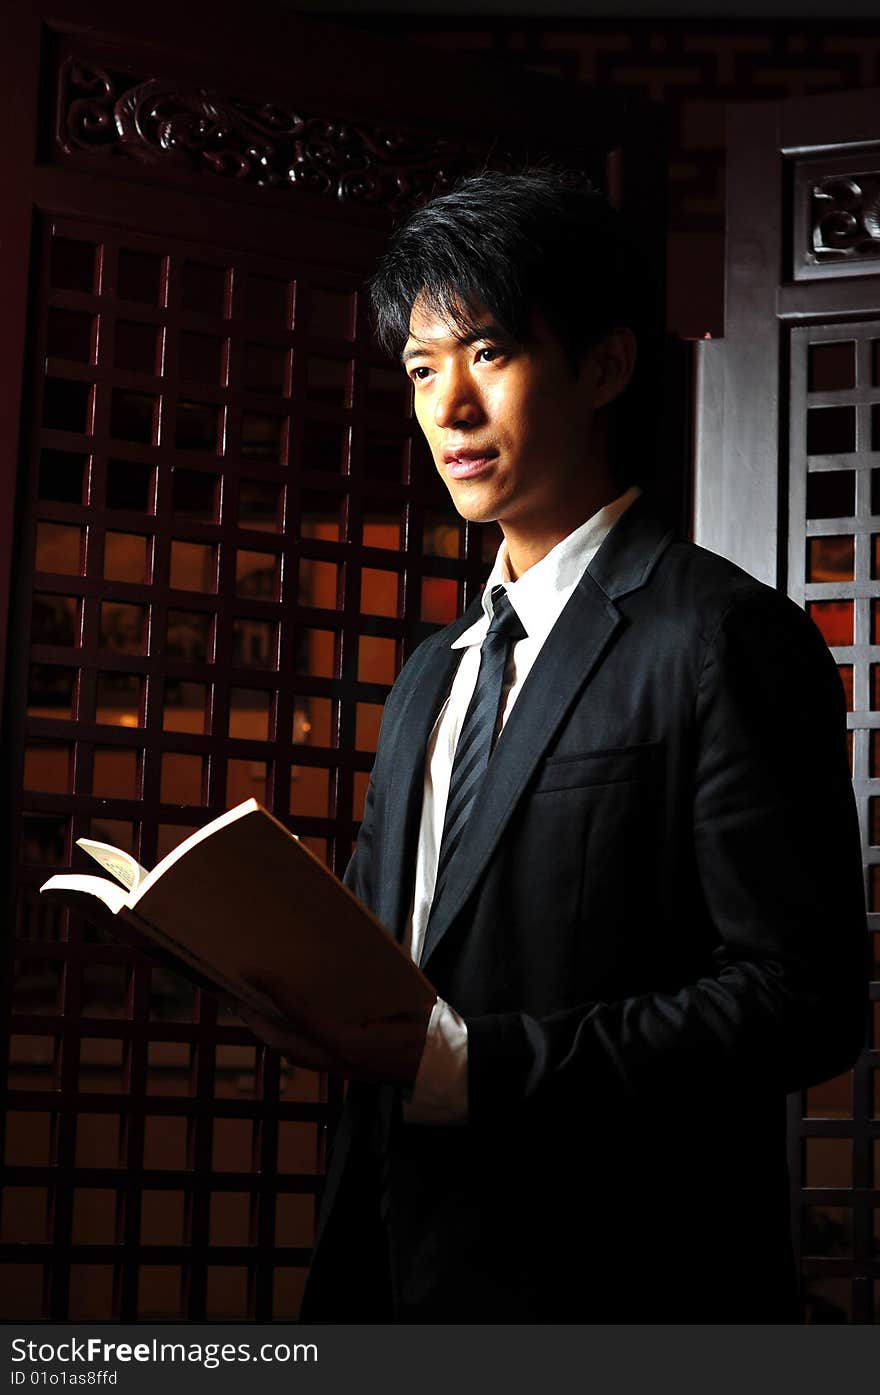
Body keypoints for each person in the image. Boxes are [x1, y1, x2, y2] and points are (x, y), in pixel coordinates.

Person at [243, 168, 868, 1323]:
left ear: (603, 366)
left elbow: (802, 999)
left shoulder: (721, 638)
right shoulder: (431, 676)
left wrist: (473, 1068)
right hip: (383, 1263)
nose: (449, 408)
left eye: (487, 354)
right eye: (423, 369)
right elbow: (400, 961)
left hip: (611, 1285)